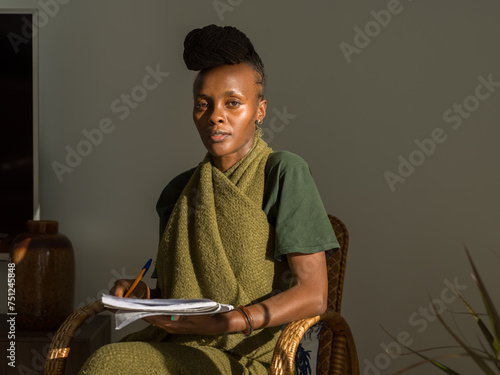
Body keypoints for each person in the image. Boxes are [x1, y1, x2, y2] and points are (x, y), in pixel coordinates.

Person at [79, 24, 338, 375]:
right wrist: (141, 298)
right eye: (204, 104)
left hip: (251, 354)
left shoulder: (284, 172)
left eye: (233, 103)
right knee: (109, 362)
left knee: (107, 363)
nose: (216, 115)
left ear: (260, 110)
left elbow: (314, 295)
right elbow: (183, 298)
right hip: (180, 346)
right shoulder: (178, 191)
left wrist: (226, 323)